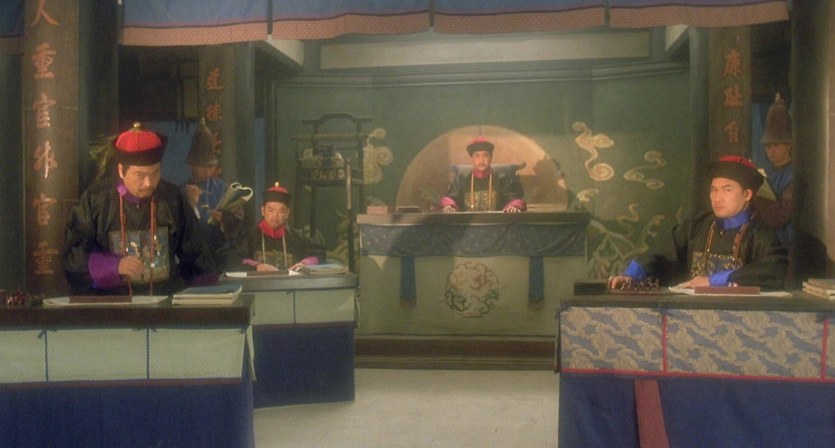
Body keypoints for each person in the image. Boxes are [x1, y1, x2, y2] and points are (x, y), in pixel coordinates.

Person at [62, 122, 218, 296]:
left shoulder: (171, 197)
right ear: (121, 171)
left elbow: (195, 252)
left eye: (155, 173)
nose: (149, 183)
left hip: (165, 299)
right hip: (113, 303)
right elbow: (74, 256)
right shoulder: (96, 200)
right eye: (140, 175)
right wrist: (114, 266)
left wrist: (207, 291)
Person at [608, 155, 788, 290]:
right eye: (714, 190)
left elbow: (773, 269)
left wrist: (713, 281)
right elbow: (660, 252)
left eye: (727, 190)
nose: (718, 198)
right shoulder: (696, 225)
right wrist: (630, 275)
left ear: (747, 194)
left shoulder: (760, 233)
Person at [181, 119, 244, 261]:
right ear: (191, 166)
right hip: (192, 254)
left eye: (210, 167)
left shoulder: (223, 188)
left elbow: (238, 217)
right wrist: (191, 204)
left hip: (220, 252)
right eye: (202, 167)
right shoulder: (180, 191)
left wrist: (224, 218)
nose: (207, 172)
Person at [228, 182, 325, 272]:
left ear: (287, 214)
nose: (275, 216)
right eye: (271, 210)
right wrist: (257, 265)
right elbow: (234, 258)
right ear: (263, 211)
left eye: (281, 211)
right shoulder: (248, 236)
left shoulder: (297, 237)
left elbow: (319, 254)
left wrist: (303, 264)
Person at [755, 93, 798, 249]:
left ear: (788, 145)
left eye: (776, 145)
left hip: (786, 245)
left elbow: (780, 215)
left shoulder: (793, 175)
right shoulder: (764, 172)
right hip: (764, 244)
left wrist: (758, 202)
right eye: (768, 147)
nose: (771, 151)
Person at [439, 136, 526, 213]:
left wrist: (512, 207)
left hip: (496, 223)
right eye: (477, 156)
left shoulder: (503, 179)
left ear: (491, 157)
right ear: (472, 159)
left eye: (485, 156)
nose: (481, 160)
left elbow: (513, 200)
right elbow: (450, 199)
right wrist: (449, 206)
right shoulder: (461, 180)